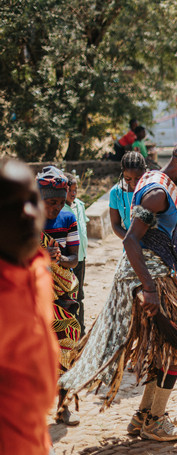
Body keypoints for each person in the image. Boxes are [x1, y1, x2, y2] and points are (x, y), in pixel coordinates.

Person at [59, 142, 177, 441]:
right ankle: (155, 421)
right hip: (148, 280)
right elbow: (130, 240)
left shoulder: (158, 183)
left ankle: (145, 416)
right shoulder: (155, 192)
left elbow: (164, 227)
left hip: (152, 276)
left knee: (165, 349)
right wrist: (150, 290)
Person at [0, 158, 61, 455]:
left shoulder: (37, 268)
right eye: (10, 206)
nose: (26, 213)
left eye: (31, 200)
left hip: (35, 436)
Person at [38, 166, 82, 427]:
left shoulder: (68, 219)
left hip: (64, 294)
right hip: (34, 295)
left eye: (60, 202)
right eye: (50, 202)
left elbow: (74, 259)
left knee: (67, 350)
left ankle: (63, 407)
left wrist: (59, 258)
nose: (55, 208)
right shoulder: (23, 221)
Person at [63, 172, 89, 329]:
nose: (73, 193)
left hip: (81, 257)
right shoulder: (61, 209)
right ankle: (69, 327)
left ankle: (81, 328)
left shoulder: (79, 205)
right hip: (68, 259)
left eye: (75, 190)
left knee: (80, 294)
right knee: (69, 294)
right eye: (69, 190)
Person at [109, 151, 147, 240]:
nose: (133, 183)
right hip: (131, 246)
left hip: (155, 246)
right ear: (122, 173)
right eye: (128, 179)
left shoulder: (152, 190)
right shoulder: (116, 193)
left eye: (138, 178)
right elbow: (115, 225)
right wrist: (132, 240)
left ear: (145, 170)